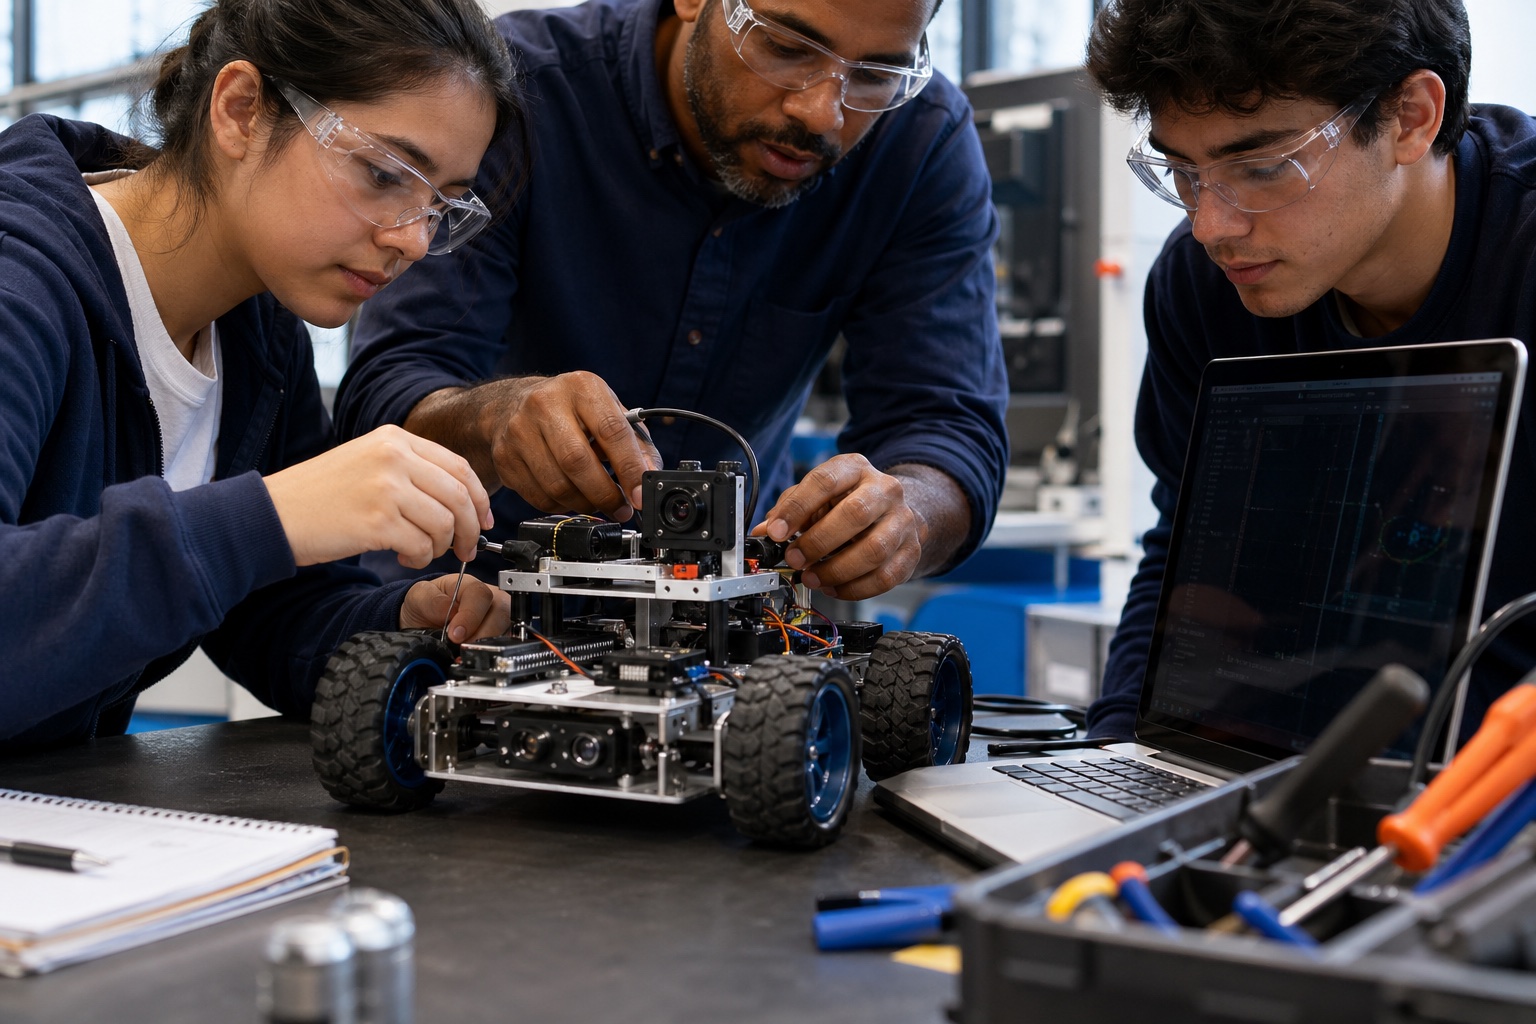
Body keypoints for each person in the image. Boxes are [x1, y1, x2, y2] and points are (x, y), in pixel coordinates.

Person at [334, 0, 1010, 602]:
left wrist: (908, 515)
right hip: (467, 605)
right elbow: (389, 388)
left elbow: (947, 429)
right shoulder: (517, 91)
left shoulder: (920, 143)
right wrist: (495, 420)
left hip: (722, 625)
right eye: (786, 48)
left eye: (875, 76)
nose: (821, 113)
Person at [0, 0, 529, 752]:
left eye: (442, 205)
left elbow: (266, 615)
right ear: (241, 110)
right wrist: (272, 517)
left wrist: (397, 623)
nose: (413, 240)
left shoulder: (260, 337)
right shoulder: (20, 281)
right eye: (384, 173)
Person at [1081, 0, 1536, 740]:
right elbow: (1184, 557)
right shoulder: (1201, 288)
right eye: (1183, 171)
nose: (1211, 226)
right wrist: (1115, 753)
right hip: (1274, 765)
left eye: (1262, 168)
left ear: (1411, 118)